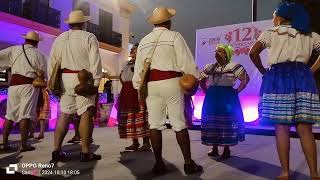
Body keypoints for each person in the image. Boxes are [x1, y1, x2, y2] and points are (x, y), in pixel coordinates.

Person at [249, 2, 320, 179]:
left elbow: (253, 52)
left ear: (280, 17)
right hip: (302, 77)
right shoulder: (309, 34)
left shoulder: (271, 33)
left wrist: (263, 71)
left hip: (278, 78)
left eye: (274, 15)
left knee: (281, 128)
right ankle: (314, 173)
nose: (272, 18)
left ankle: (285, 172)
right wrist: (311, 69)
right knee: (305, 129)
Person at [132, 7, 202, 175]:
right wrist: (194, 79)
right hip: (172, 82)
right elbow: (186, 62)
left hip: (151, 85)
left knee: (155, 125)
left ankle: (158, 164)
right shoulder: (175, 36)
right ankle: (188, 162)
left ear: (154, 23)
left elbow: (139, 68)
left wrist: (137, 87)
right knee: (179, 123)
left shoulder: (144, 41)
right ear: (168, 22)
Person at [48, 10, 102, 162]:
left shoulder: (60, 38)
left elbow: (52, 62)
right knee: (86, 113)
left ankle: (56, 150)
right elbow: (95, 62)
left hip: (65, 79)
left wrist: (54, 83)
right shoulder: (89, 37)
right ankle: (85, 152)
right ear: (84, 23)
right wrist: (96, 83)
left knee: (64, 115)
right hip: (84, 79)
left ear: (70, 24)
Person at [199, 44, 249, 159]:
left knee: (227, 121)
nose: (216, 53)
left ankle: (226, 149)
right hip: (212, 97)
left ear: (227, 54)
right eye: (216, 51)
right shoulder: (209, 67)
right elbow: (201, 80)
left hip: (227, 96)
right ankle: (214, 147)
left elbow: (245, 79)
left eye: (220, 51)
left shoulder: (234, 66)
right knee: (212, 121)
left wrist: (236, 91)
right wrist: (206, 90)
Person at [0, 31, 47, 152]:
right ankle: (24, 144)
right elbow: (44, 75)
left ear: (25, 40)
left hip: (13, 85)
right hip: (28, 86)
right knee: (25, 115)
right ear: (37, 43)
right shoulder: (39, 55)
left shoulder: (14, 49)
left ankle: (4, 143)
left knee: (10, 115)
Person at [114, 43, 151, 151]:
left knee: (141, 116)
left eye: (134, 50)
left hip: (138, 92)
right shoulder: (127, 64)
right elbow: (122, 77)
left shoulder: (144, 63)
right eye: (132, 50)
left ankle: (146, 143)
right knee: (130, 117)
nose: (132, 52)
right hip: (126, 92)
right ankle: (135, 142)